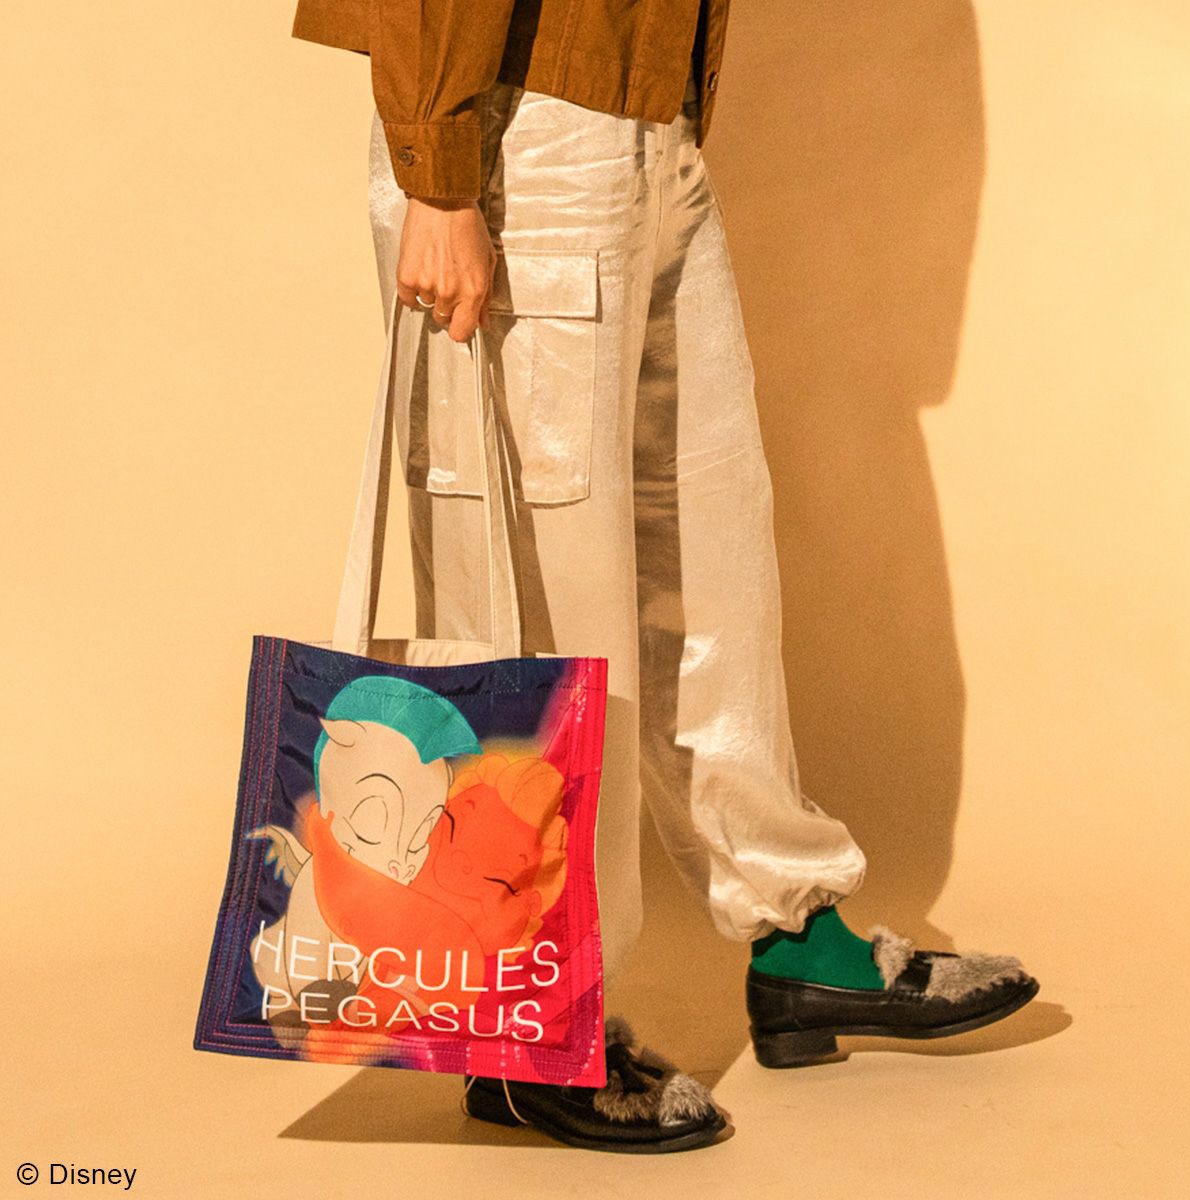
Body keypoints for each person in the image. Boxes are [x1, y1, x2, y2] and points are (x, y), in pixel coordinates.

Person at [289, 0, 1040, 1153]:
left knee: (707, 562)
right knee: (543, 603)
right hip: (514, 135)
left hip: (643, 116)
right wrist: (438, 173)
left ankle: (795, 939)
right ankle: (530, 1022)